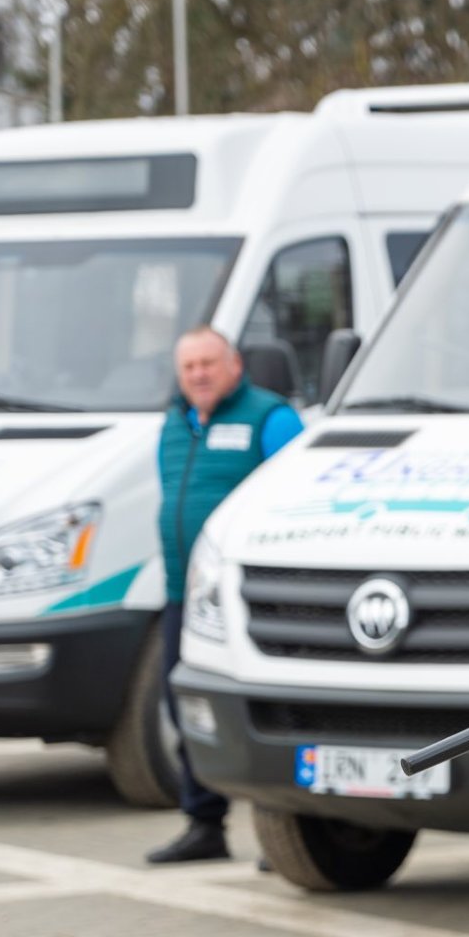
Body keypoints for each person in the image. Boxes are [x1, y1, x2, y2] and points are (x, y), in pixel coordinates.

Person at [145, 327, 303, 864]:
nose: (198, 375)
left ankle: (289, 827)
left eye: (208, 363)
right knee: (187, 708)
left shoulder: (271, 419)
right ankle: (203, 824)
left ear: (234, 366)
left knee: (268, 713)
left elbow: (295, 499)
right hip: (185, 596)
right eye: (188, 367)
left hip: (255, 601)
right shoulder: (174, 424)